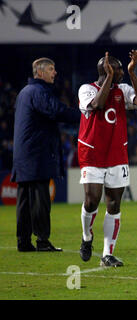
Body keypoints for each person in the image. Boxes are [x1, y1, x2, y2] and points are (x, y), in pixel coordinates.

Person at [78, 50, 137, 266]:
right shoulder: (87, 89)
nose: (120, 74)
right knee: (91, 200)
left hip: (117, 154)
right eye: (117, 69)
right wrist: (108, 77)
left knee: (114, 204)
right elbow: (98, 104)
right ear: (105, 70)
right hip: (92, 154)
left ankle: (107, 254)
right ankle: (87, 237)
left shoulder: (123, 90)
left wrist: (132, 72)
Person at [12, 57, 80, 252]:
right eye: (51, 69)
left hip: (24, 154)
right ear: (40, 73)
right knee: (41, 199)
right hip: (37, 154)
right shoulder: (39, 91)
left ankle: (23, 241)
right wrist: (84, 115)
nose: (55, 73)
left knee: (24, 200)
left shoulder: (25, 92)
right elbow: (56, 111)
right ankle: (42, 240)